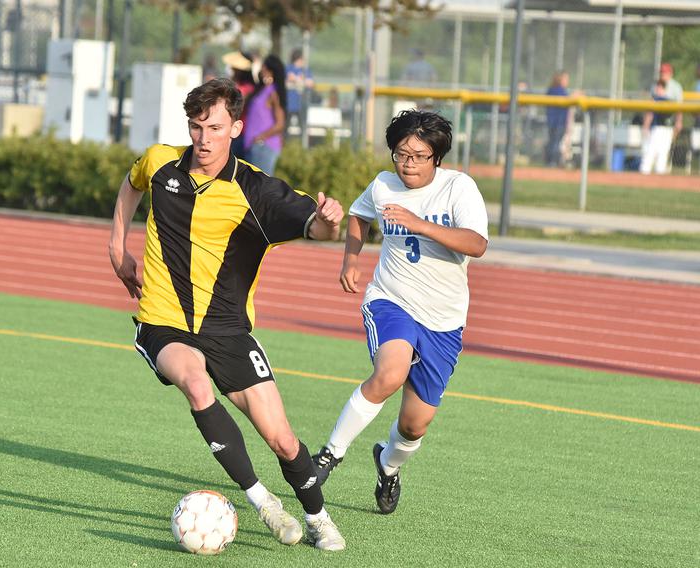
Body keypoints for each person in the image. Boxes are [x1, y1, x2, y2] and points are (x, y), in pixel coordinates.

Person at [109, 78, 347, 550]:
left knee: (282, 439)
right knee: (195, 384)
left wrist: (329, 221)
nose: (203, 139)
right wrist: (117, 248)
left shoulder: (256, 190)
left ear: (236, 127)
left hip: (228, 329)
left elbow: (315, 228)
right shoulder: (160, 162)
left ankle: (318, 516)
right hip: (164, 320)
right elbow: (131, 184)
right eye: (196, 127)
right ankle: (264, 503)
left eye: (214, 128)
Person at [311, 110, 488, 515]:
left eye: (418, 156)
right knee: (390, 373)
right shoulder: (383, 185)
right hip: (391, 299)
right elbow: (359, 215)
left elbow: (476, 244)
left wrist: (420, 224)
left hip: (444, 320)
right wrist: (350, 261)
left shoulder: (458, 188)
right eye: (400, 154)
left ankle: (387, 465)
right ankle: (330, 454)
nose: (407, 164)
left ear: (436, 158)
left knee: (414, 426)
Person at [243, 54, 287, 175]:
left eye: (263, 66)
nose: (261, 69)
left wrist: (260, 137)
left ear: (270, 70)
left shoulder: (273, 93)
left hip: (263, 146)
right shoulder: (261, 89)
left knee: (260, 188)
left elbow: (280, 123)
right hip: (253, 146)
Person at [640, 63, 683, 175]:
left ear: (670, 73)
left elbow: (679, 108)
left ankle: (660, 176)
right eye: (661, 72)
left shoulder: (676, 87)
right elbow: (650, 108)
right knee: (650, 149)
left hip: (668, 124)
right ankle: (644, 173)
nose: (662, 74)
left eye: (664, 72)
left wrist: (678, 122)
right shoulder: (655, 85)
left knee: (664, 151)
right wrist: (646, 124)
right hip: (655, 124)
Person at [223, 50, 256, 159]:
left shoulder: (248, 87)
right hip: (232, 132)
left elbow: (236, 106)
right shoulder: (236, 84)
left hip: (241, 133)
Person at [544, 71, 571, 167]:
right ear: (560, 80)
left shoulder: (551, 89)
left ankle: (550, 162)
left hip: (552, 121)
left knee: (553, 142)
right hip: (558, 122)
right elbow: (568, 100)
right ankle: (552, 162)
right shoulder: (559, 90)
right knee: (555, 143)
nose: (567, 81)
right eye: (565, 79)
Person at [285, 49, 314, 136]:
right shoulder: (288, 68)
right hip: (289, 104)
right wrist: (300, 80)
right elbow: (285, 82)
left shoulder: (305, 70)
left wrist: (296, 79)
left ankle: (303, 146)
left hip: (301, 104)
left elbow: (310, 83)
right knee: (285, 128)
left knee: (303, 128)